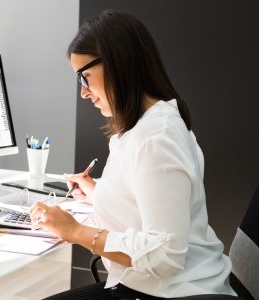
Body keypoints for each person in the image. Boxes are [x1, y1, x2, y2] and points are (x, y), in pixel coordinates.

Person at [29, 9, 236, 300]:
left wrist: (74, 231)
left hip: (172, 293)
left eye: (85, 77)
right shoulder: (149, 124)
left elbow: (164, 257)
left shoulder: (157, 138)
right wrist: (102, 193)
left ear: (117, 65)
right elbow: (154, 202)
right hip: (149, 286)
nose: (84, 93)